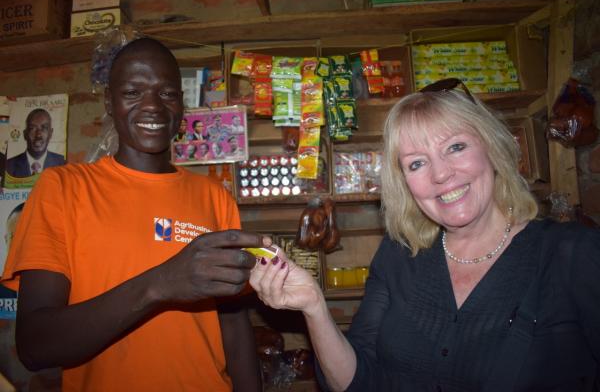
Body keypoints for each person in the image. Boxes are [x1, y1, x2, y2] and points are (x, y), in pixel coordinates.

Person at [250, 78, 600, 391]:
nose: (441, 174)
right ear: (405, 184)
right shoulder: (398, 254)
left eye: (456, 147)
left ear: (492, 150)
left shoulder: (574, 254)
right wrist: (314, 307)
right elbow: (357, 381)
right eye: (417, 163)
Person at [1, 37, 270, 392]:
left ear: (183, 104)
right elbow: (36, 346)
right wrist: (160, 283)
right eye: (132, 92)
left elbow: (234, 326)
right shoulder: (63, 189)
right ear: (109, 103)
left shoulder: (214, 197)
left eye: (168, 93)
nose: (153, 107)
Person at [5, 108, 65, 177]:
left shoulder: (62, 163)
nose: (38, 134)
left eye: (44, 128)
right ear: (25, 134)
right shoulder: (9, 165)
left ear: (51, 133)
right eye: (32, 128)